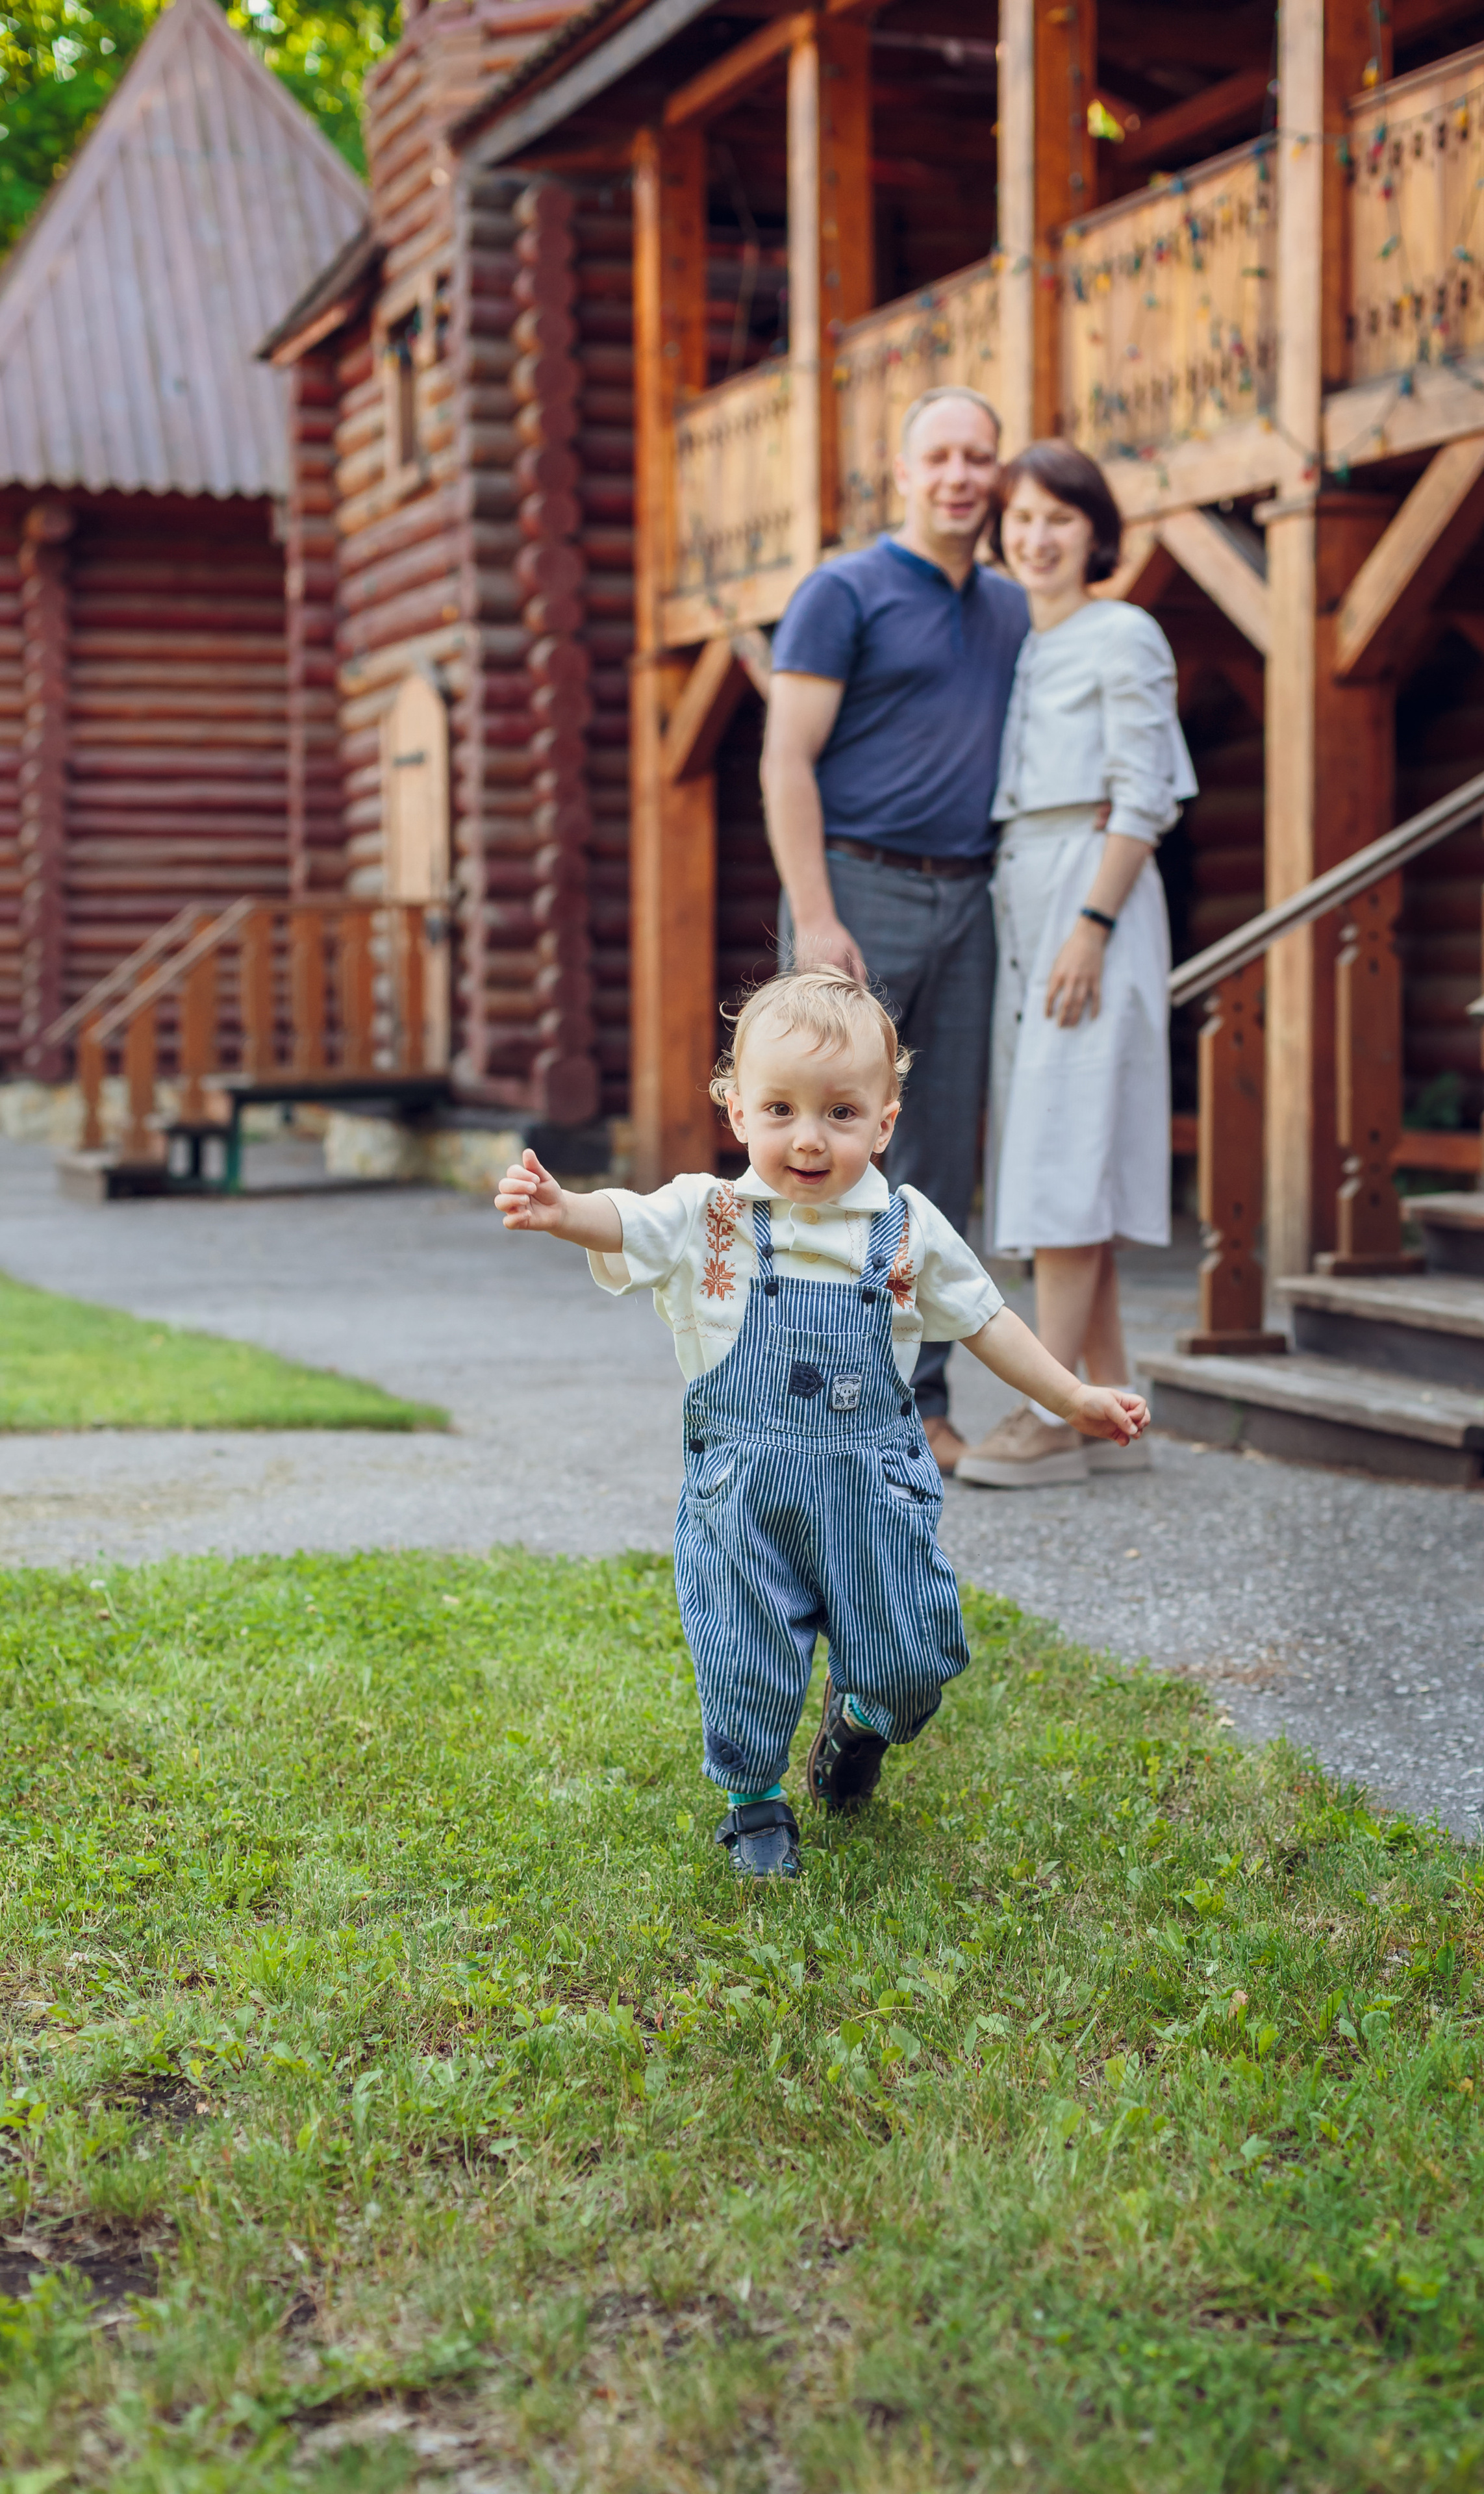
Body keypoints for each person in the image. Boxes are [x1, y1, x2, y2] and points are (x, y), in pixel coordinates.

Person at [496, 968, 1149, 1880]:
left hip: (873, 1493)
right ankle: (754, 1802)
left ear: (884, 1121)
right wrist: (566, 1212)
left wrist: (1069, 1396)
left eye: (841, 1114)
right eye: (780, 1110)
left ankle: (861, 1722)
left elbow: (988, 1320)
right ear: (737, 1112)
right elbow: (627, 1222)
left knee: (914, 1653)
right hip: (748, 1495)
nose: (809, 1139)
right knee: (746, 1655)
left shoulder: (907, 1229)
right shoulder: (708, 1218)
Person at [760, 385, 1029, 1478]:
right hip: (853, 895)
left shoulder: (1011, 608)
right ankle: (792, 1397)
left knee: (931, 1165)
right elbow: (785, 759)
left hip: (969, 899)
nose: (962, 476)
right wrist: (816, 919)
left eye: (980, 457)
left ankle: (918, 1408)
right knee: (813, 1155)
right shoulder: (843, 591)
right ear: (903, 474)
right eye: (942, 457)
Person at [956, 442, 1196, 1492]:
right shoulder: (1017, 640)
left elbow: (1145, 791)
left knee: (1064, 1148)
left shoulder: (1124, 631)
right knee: (1059, 1143)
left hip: (1089, 892)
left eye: (1059, 517)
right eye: (1019, 517)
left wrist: (1093, 921)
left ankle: (1046, 1412)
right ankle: (1112, 1404)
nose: (1036, 536)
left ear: (1095, 532)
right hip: (1024, 883)